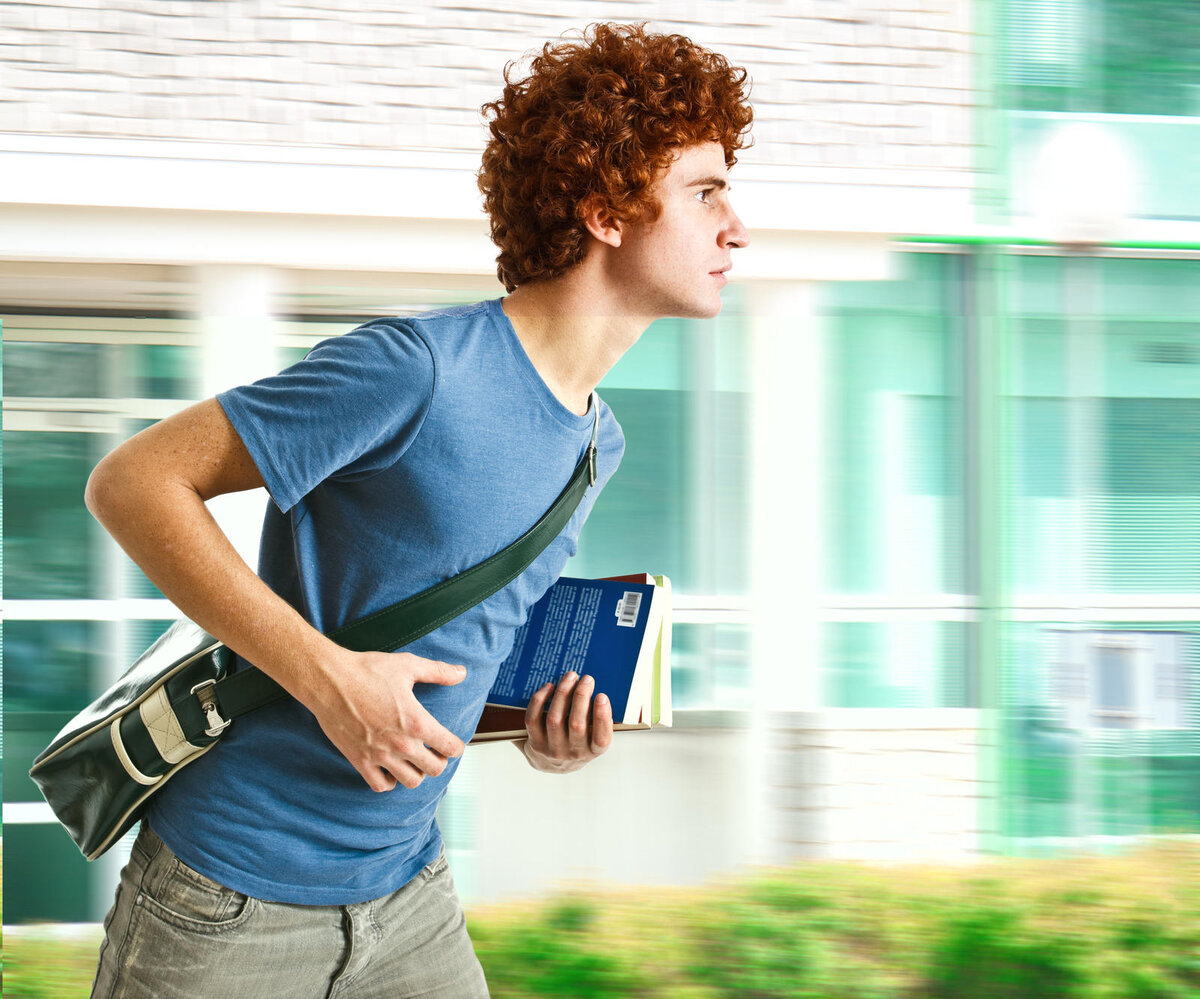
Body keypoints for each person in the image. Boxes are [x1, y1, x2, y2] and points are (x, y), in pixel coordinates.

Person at [86, 20, 752, 999]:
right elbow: (136, 482)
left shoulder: (595, 441)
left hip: (409, 898)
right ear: (608, 210)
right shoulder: (416, 371)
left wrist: (533, 728)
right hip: (227, 898)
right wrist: (329, 681)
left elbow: (445, 645)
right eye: (705, 193)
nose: (737, 226)